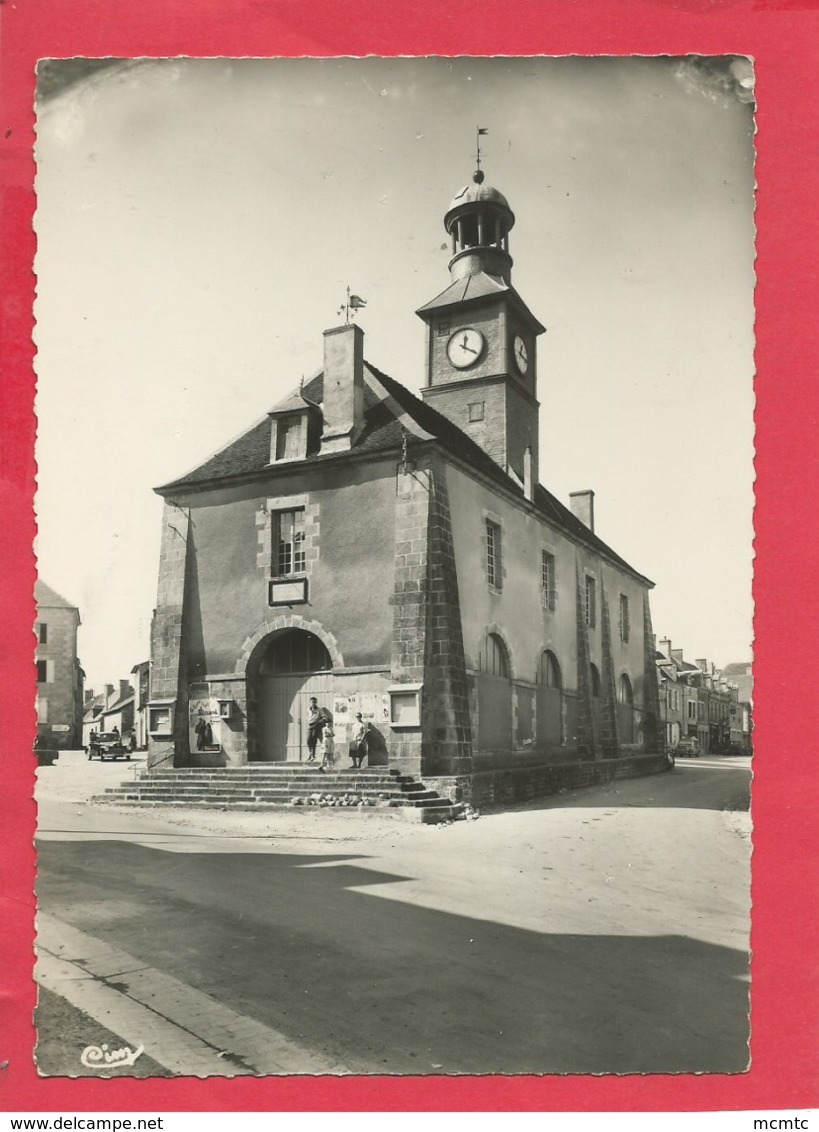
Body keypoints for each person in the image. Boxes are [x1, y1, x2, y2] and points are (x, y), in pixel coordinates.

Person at [306, 698, 331, 763]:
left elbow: (325, 717)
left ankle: (313, 756)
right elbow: (308, 717)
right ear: (310, 702)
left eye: (314, 702)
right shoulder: (308, 709)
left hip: (316, 726)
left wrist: (319, 722)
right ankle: (310, 753)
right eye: (312, 702)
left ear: (316, 702)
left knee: (314, 740)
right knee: (308, 741)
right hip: (310, 725)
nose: (313, 703)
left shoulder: (319, 709)